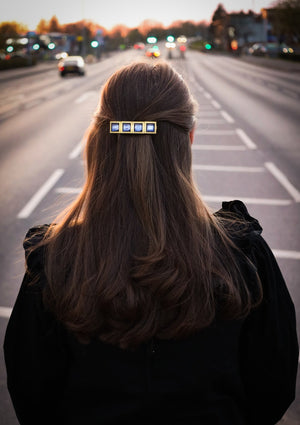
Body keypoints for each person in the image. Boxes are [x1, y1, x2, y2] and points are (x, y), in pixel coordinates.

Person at [4, 60, 298, 425]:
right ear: (188, 138)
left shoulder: (53, 262)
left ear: (97, 140)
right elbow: (274, 387)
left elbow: (31, 396)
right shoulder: (243, 259)